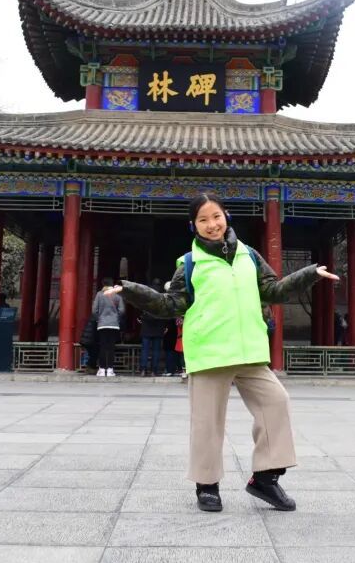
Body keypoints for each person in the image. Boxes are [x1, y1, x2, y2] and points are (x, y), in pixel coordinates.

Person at [107, 192, 339, 513]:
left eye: (216, 216)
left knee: (276, 402)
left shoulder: (249, 256)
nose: (212, 224)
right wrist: (132, 290)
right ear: (194, 226)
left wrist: (309, 274)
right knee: (207, 423)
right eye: (203, 220)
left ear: (226, 216)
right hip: (210, 352)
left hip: (249, 350)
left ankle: (265, 478)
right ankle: (207, 485)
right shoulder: (190, 263)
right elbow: (170, 304)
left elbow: (272, 290)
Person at [91, 277, 124, 376]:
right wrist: (116, 318)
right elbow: (122, 310)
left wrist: (99, 318)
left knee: (103, 347)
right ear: (112, 284)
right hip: (114, 325)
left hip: (102, 324)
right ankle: (110, 369)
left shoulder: (99, 295)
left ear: (103, 284)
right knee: (111, 347)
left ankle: (101, 369)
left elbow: (94, 310)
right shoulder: (117, 295)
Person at [139, 278, 171, 376]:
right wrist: (166, 326)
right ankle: (154, 370)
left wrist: (140, 318)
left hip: (146, 326)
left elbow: (140, 308)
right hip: (159, 326)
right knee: (156, 350)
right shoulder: (163, 296)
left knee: (145, 349)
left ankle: (143, 369)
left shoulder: (146, 295)